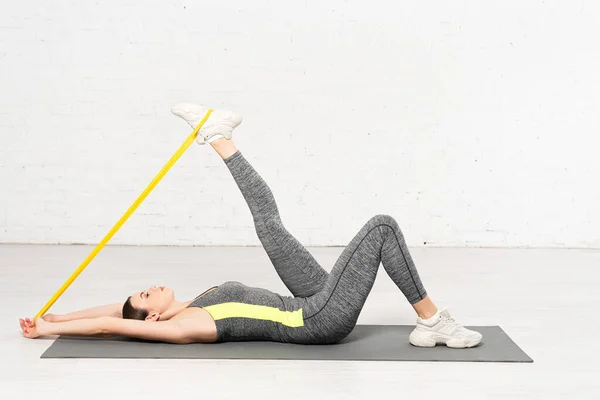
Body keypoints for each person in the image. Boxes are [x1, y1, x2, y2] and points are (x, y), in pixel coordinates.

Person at [19, 104, 483, 348]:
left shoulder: (191, 303)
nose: (150, 287)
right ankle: (434, 323)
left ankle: (219, 137)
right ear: (155, 317)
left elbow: (112, 311)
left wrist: (57, 317)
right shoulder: (187, 326)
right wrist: (47, 334)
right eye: (145, 295)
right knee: (381, 227)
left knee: (268, 227)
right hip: (317, 319)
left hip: (304, 299)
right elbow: (113, 325)